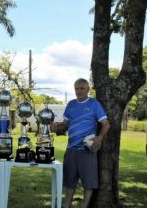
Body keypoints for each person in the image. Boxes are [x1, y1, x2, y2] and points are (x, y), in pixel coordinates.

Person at [50, 78, 110, 208]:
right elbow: (65, 125)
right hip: (71, 149)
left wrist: (99, 138)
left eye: (82, 88)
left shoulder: (94, 104)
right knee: (69, 181)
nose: (79, 91)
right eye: (76, 88)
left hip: (87, 150)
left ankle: (84, 206)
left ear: (88, 89)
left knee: (88, 182)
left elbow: (106, 124)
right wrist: (55, 127)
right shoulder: (71, 104)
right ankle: (67, 205)